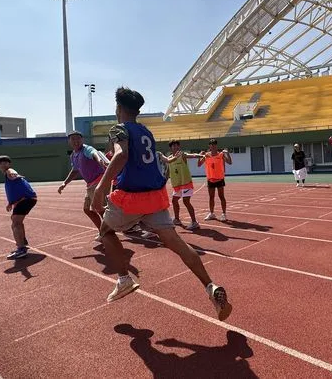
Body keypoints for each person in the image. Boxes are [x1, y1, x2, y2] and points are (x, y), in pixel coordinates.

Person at [90, 87, 232, 320]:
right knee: (177, 243)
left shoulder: (119, 129)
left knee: (105, 231)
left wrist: (101, 186)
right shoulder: (146, 131)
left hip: (130, 196)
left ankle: (124, 279)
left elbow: (122, 155)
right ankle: (210, 287)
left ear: (119, 108)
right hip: (155, 196)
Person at [58, 131, 110, 242]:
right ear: (69, 141)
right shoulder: (73, 155)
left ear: (82, 140)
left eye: (78, 139)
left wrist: (100, 160)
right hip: (90, 184)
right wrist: (64, 183)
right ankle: (104, 230)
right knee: (87, 209)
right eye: (73, 139)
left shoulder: (86, 149)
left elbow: (94, 153)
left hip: (99, 181)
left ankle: (108, 233)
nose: (76, 141)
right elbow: (75, 170)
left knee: (100, 209)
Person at [0, 156, 38, 260]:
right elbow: (13, 190)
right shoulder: (7, 175)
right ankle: (22, 241)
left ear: (9, 164)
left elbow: (12, 172)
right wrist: (10, 203)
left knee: (16, 223)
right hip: (23, 200)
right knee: (15, 220)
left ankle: (21, 248)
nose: (2, 164)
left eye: (5, 162)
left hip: (26, 199)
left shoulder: (9, 171)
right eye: (0, 163)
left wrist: (14, 174)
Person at [158, 140, 203, 230]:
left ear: (179, 147)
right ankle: (177, 219)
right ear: (171, 148)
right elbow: (167, 172)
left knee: (186, 201)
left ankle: (194, 222)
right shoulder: (169, 158)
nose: (175, 147)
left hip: (185, 183)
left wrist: (200, 155)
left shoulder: (182, 155)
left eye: (177, 145)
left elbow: (192, 155)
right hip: (177, 184)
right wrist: (164, 182)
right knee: (174, 201)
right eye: (173, 146)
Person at [197, 139, 232, 222]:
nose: (213, 146)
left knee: (221, 196)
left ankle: (224, 214)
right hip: (210, 179)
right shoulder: (206, 155)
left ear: (216, 146)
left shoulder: (221, 155)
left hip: (219, 178)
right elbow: (199, 164)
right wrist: (199, 156)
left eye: (214, 144)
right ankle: (211, 213)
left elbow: (230, 162)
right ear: (209, 146)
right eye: (211, 144)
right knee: (211, 197)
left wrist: (227, 153)